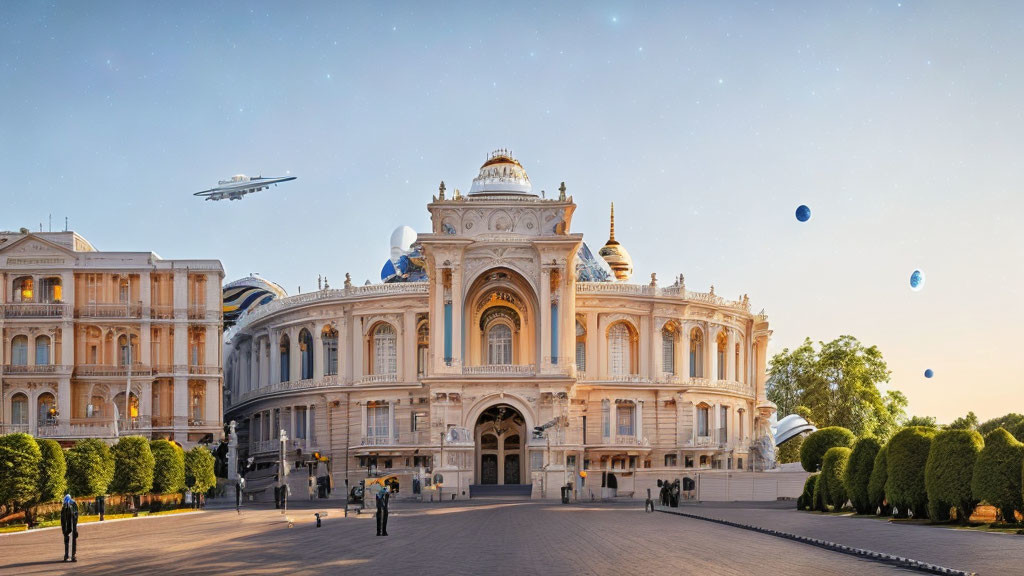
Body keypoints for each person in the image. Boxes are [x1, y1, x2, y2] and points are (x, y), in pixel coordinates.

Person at [61, 494, 79, 562]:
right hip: (72, 526)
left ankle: (67, 556)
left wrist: (64, 530)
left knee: (67, 541)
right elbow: (76, 516)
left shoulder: (64, 506)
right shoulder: (73, 504)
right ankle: (72, 556)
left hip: (67, 527)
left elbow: (62, 520)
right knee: (72, 541)